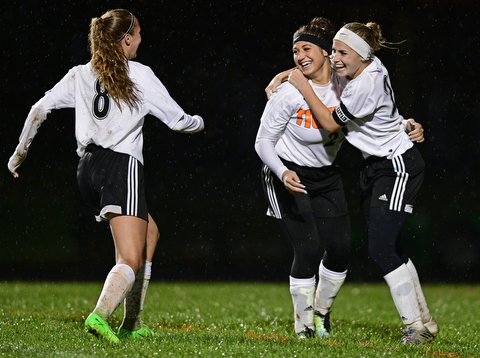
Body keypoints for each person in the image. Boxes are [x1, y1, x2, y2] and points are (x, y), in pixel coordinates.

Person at [7, 9, 204, 343]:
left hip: (88, 169)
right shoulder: (138, 74)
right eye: (138, 33)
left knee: (149, 234)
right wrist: (200, 122)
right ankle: (100, 317)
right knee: (130, 256)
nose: (141, 39)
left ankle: (133, 324)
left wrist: (18, 156)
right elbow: (178, 121)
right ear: (126, 38)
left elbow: (38, 109)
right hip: (121, 167)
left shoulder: (81, 73)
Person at [255, 17, 423, 340]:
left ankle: (321, 315)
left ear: (325, 53)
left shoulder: (345, 81)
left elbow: (370, 114)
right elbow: (262, 142)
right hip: (286, 171)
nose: (300, 56)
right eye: (295, 51)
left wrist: (405, 124)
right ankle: (304, 328)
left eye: (307, 48)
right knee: (307, 247)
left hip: (326, 175)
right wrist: (282, 171)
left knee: (341, 248)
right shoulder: (288, 92)